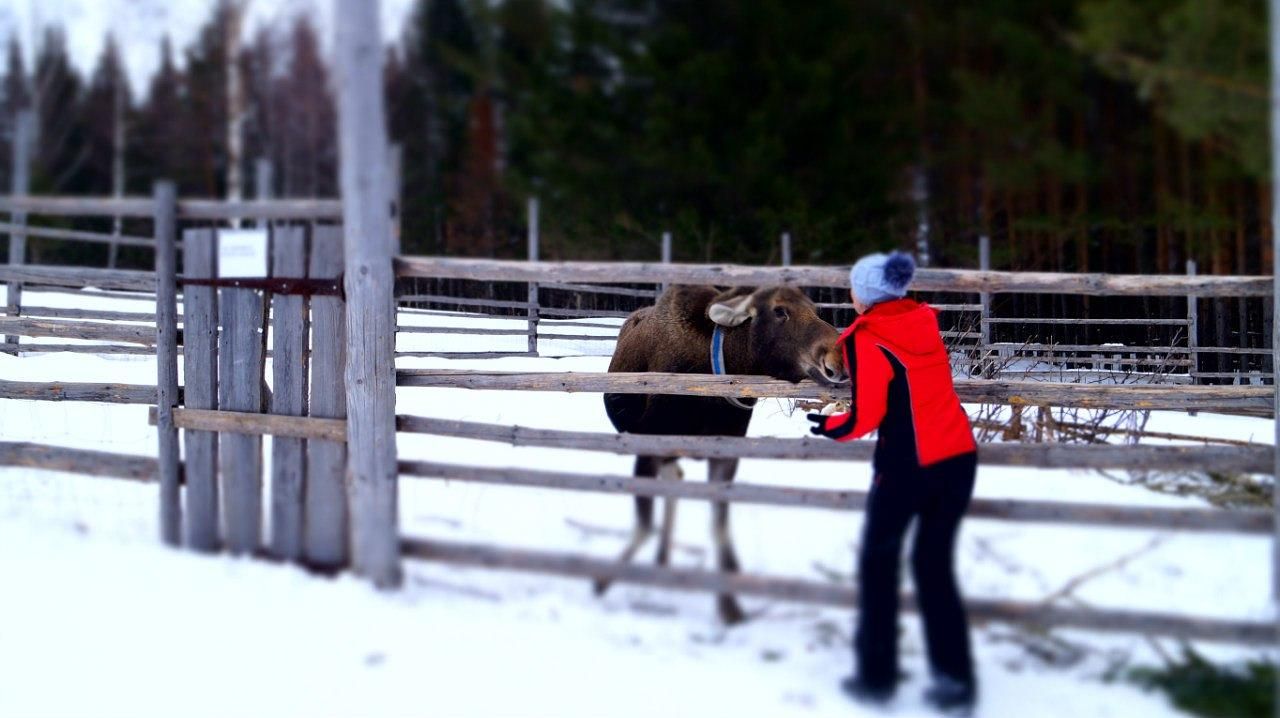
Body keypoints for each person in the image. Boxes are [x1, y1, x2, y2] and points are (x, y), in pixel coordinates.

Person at [806, 250, 979, 715]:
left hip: (908, 467)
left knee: (879, 567)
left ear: (864, 296)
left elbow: (865, 417)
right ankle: (955, 680)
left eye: (853, 287)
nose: (849, 294)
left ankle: (877, 679)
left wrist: (829, 426)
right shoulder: (923, 321)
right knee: (933, 567)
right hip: (958, 457)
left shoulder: (868, 339)